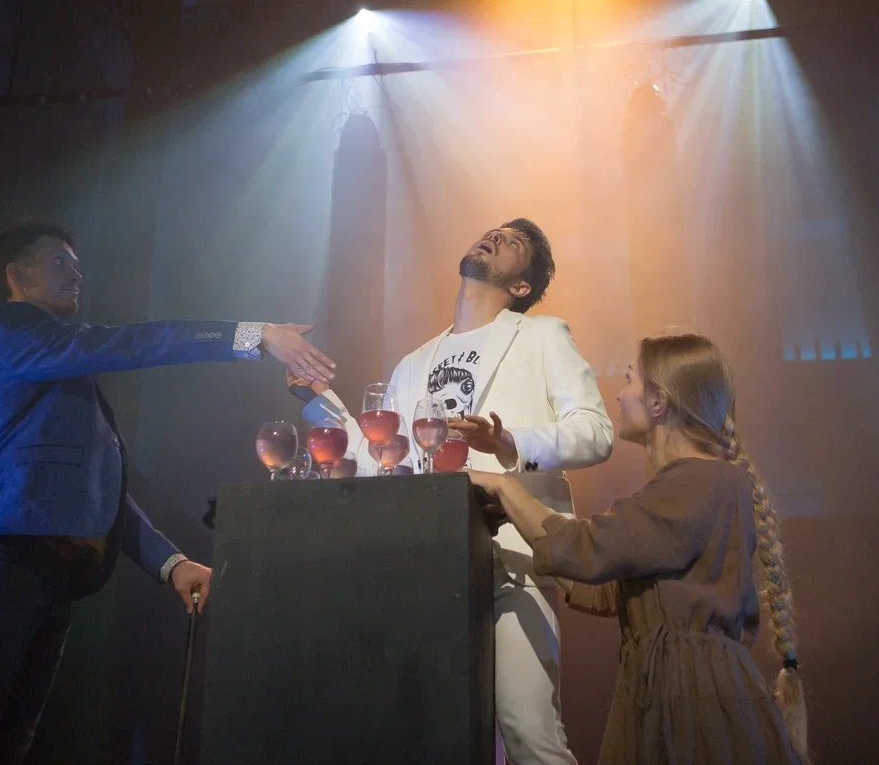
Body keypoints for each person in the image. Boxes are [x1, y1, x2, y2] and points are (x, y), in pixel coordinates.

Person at [0, 219, 336, 765]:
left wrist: (171, 564)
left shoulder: (58, 371)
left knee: (10, 743)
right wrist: (254, 334)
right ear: (16, 274)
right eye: (59, 261)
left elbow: (95, 495)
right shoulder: (11, 327)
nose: (75, 272)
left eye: (78, 264)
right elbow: (130, 342)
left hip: (46, 573)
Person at [293, 219, 613, 765]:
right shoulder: (414, 362)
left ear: (521, 286)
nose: (495, 235)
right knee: (437, 736)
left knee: (528, 730)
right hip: (429, 561)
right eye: (494, 230)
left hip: (511, 557)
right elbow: (377, 456)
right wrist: (317, 401)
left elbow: (596, 431)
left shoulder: (542, 335)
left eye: (513, 241)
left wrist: (508, 441)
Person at [468, 334, 809, 765]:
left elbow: (591, 547)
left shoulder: (697, 482)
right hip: (674, 691)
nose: (618, 393)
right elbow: (609, 587)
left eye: (630, 380)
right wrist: (516, 520)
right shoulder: (696, 483)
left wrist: (503, 485)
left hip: (694, 702)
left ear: (658, 401)